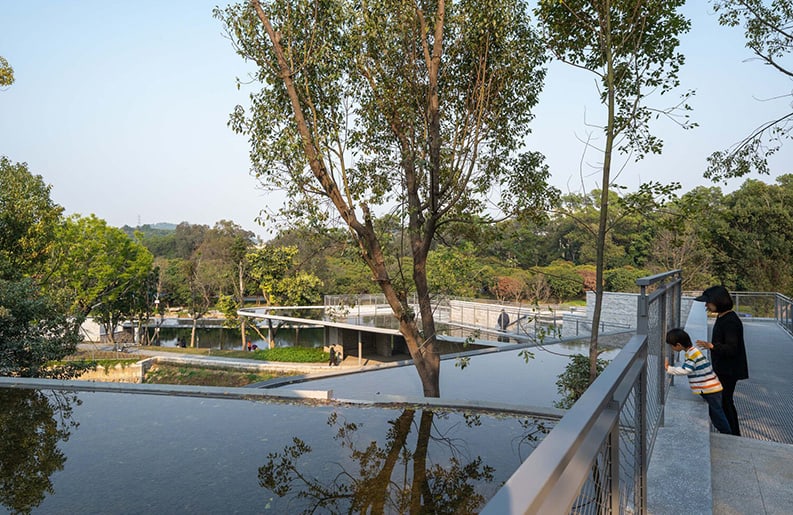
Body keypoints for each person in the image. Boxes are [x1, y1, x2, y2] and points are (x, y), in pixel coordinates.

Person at [694, 285, 749, 436]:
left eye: (708, 302)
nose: (706, 305)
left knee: (725, 401)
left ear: (718, 301)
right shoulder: (723, 316)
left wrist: (711, 346)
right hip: (724, 368)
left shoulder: (730, 321)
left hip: (729, 370)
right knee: (724, 400)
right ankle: (731, 432)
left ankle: (732, 433)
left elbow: (732, 348)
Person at [665, 328, 733, 434]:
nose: (671, 348)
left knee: (717, 414)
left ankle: (727, 434)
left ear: (678, 345)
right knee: (717, 412)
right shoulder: (694, 351)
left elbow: (686, 370)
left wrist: (669, 369)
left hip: (710, 390)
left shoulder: (691, 355)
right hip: (713, 387)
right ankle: (725, 431)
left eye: (671, 346)